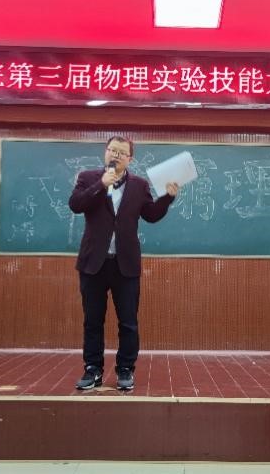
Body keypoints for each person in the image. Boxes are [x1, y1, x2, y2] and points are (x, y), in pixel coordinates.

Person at [69, 136, 179, 390]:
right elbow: (75, 204)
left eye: (121, 152)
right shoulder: (88, 178)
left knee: (128, 322)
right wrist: (100, 184)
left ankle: (125, 370)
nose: (115, 155)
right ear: (105, 152)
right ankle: (93, 369)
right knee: (93, 321)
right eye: (112, 150)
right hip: (93, 263)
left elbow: (151, 215)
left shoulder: (139, 185)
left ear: (130, 159)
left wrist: (167, 198)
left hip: (125, 263)